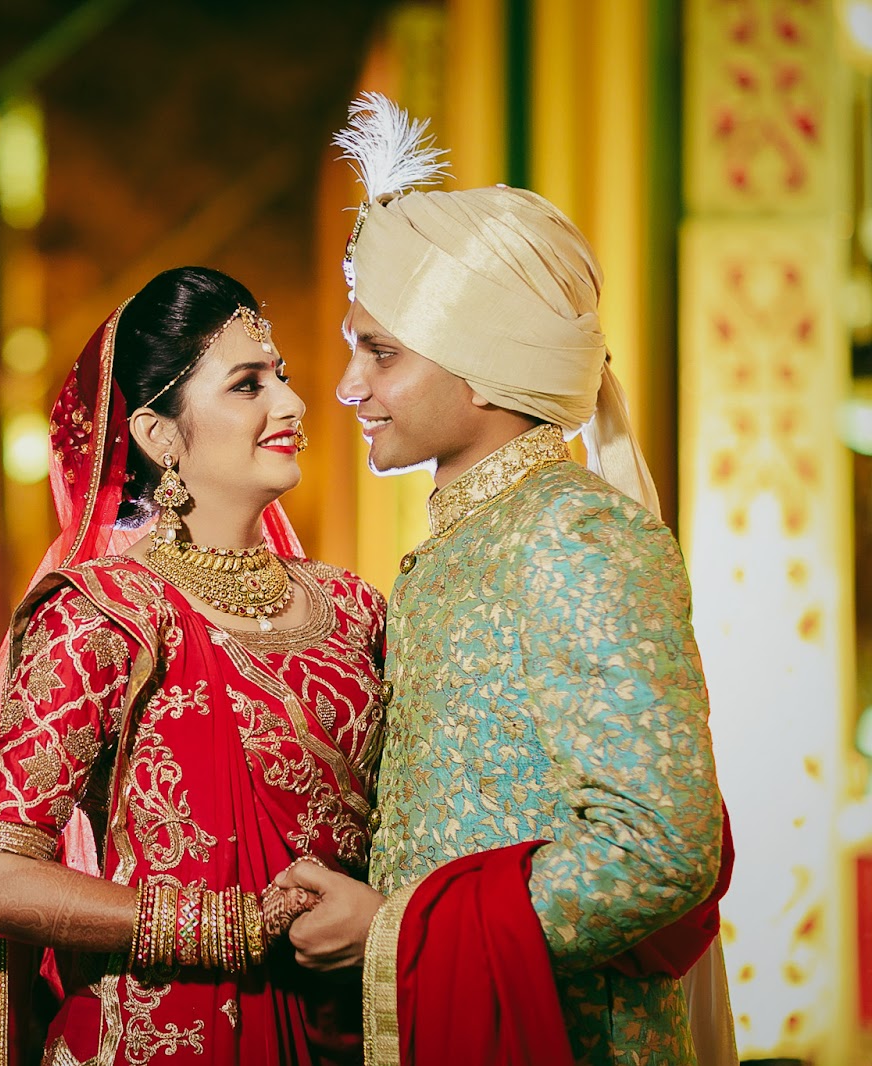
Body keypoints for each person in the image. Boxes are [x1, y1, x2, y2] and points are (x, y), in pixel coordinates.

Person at [275, 95, 737, 1065]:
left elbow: (664, 849)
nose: (348, 386)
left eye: (380, 352)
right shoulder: (461, 547)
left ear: (483, 367)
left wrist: (394, 930)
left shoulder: (575, 534)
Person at [0, 266, 388, 1066]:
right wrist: (228, 926)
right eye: (248, 385)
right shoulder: (102, 615)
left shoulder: (354, 609)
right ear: (159, 437)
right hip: (155, 1037)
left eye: (281, 377)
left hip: (340, 1032)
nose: (292, 404)